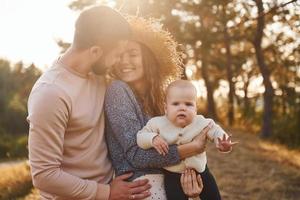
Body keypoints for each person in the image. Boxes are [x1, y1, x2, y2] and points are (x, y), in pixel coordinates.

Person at [27, 6, 153, 200]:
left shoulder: (98, 74)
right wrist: (105, 192)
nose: (118, 62)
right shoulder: (51, 94)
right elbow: (44, 176)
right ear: (95, 51)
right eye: (117, 55)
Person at [104, 17, 208, 200]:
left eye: (132, 54)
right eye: (119, 55)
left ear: (148, 56)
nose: (124, 61)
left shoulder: (164, 96)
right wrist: (192, 147)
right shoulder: (117, 90)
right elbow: (137, 155)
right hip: (142, 186)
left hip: (172, 178)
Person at [137, 80, 237, 200]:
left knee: (214, 197)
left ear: (195, 109)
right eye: (176, 104)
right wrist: (152, 138)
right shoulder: (157, 123)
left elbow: (215, 131)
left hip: (201, 173)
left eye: (188, 104)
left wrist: (221, 141)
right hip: (172, 175)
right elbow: (140, 137)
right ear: (166, 107)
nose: (182, 108)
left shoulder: (201, 122)